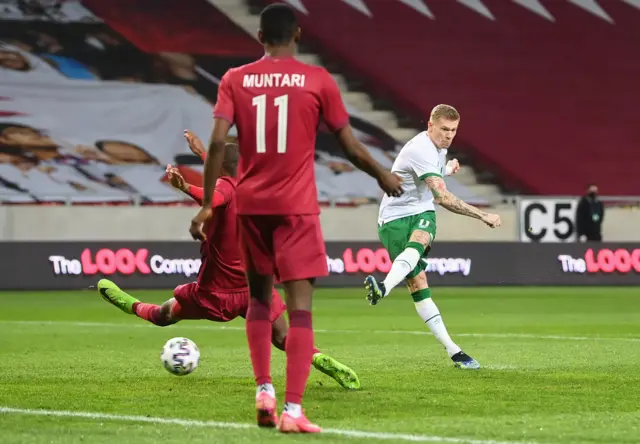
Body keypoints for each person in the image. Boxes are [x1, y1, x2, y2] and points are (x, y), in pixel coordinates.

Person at [188, 3, 403, 434]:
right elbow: (348, 144)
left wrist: (210, 203)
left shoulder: (235, 79)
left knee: (260, 301)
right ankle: (292, 411)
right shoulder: (318, 80)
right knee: (300, 310)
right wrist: (382, 174)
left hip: (251, 206)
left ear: (260, 36)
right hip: (296, 208)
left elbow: (215, 145)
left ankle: (263, 388)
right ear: (298, 35)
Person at [97, 132, 360, 394]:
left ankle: (129, 304)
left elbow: (215, 197)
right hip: (254, 289)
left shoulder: (224, 187)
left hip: (215, 292)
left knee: (164, 315)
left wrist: (186, 187)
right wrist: (201, 151)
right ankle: (317, 357)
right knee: (282, 338)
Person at [364, 104, 501, 370]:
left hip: (419, 211)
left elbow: (426, 176)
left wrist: (445, 169)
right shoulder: (421, 149)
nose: (449, 136)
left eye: (453, 131)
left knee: (421, 246)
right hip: (393, 219)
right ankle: (385, 288)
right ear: (430, 125)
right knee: (417, 284)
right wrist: (482, 215)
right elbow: (442, 197)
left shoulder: (437, 147)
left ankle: (454, 351)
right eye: (444, 129)